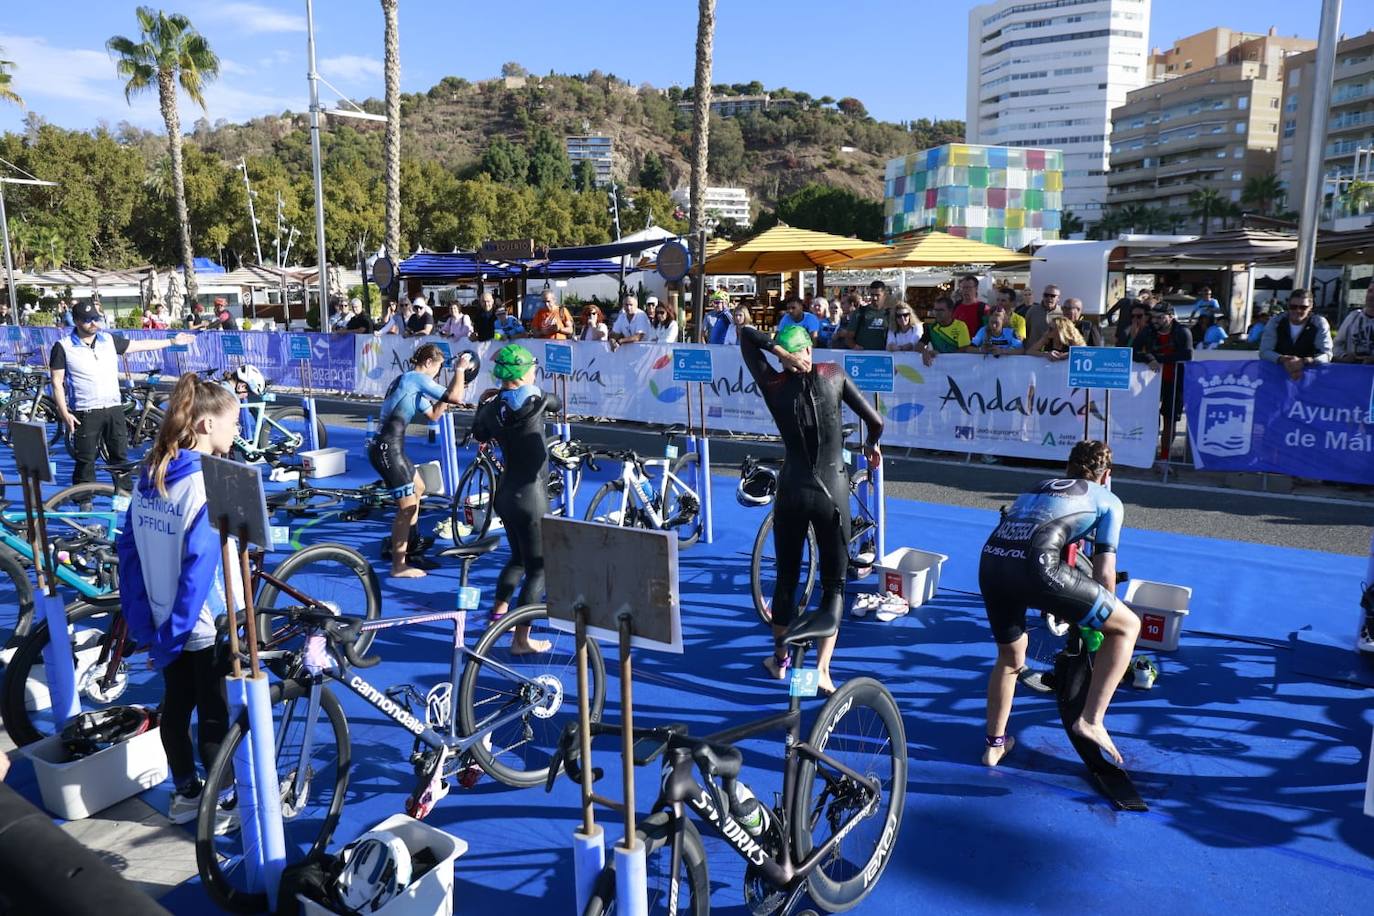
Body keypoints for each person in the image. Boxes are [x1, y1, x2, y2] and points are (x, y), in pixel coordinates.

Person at [115, 373, 245, 829]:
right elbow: (198, 573)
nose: (238, 432)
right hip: (198, 625)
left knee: (175, 707)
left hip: (159, 616)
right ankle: (221, 799)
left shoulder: (150, 472)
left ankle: (186, 791)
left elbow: (127, 554)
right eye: (234, 423)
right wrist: (171, 635)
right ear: (207, 425)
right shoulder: (204, 486)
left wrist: (146, 625)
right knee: (213, 715)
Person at [978, 440, 1140, 767]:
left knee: (1010, 657)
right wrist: (1103, 624)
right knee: (1127, 627)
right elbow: (1104, 572)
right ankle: (1091, 720)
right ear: (1105, 474)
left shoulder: (1036, 487)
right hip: (1038, 566)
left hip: (991, 562)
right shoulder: (1108, 499)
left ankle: (994, 746)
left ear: (1068, 466)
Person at [739, 323, 882, 694]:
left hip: (792, 491)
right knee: (834, 583)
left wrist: (776, 353)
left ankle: (780, 660)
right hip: (832, 493)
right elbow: (875, 421)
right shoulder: (832, 373)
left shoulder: (773, 385)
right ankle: (821, 669)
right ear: (809, 350)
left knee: (787, 578)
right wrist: (872, 445)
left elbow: (745, 334)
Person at [472, 344, 560, 653]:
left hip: (505, 493)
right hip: (531, 496)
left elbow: (480, 434)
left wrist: (485, 403)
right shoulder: (533, 396)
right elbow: (555, 402)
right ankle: (521, 640)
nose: (535, 370)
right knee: (540, 568)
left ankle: (497, 617)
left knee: (517, 559)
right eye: (532, 367)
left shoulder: (493, 406)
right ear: (521, 373)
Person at [51, 302, 194, 487]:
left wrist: (172, 341)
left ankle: (124, 495)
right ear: (77, 321)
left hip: (113, 408)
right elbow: (56, 381)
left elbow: (139, 345)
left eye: (96, 318)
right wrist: (64, 413)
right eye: (87, 320)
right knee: (85, 459)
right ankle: (83, 498)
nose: (93, 323)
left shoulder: (108, 340)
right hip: (85, 410)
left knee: (119, 456)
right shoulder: (63, 346)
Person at [369, 344, 472, 578]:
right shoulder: (415, 378)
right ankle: (399, 565)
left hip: (388, 447)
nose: (437, 373)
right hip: (388, 449)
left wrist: (448, 395)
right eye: (437, 368)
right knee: (407, 508)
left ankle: (411, 546)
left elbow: (434, 415)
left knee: (419, 488)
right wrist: (460, 370)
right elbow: (456, 396)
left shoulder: (408, 383)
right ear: (427, 363)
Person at [1134, 302, 1193, 459]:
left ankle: (1165, 457)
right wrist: (1148, 358)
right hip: (1151, 382)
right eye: (1153, 317)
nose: (1155, 321)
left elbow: (1187, 355)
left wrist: (1157, 358)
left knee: (1170, 420)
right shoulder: (1148, 330)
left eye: (1160, 318)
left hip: (1174, 381)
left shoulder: (1182, 331)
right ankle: (1146, 453)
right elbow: (1133, 350)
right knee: (1149, 418)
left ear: (1171, 317)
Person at [1260, 289, 1333, 381]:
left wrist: (1305, 361)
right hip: (1275, 378)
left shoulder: (1319, 323)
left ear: (1310, 307)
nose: (1298, 310)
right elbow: (1264, 352)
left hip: (1309, 379)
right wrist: (1283, 359)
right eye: (1293, 307)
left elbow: (1326, 354)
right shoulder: (1276, 321)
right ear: (1288, 306)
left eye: (1303, 307)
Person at [919, 295, 973, 366]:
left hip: (958, 365)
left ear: (950, 311)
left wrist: (941, 356)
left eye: (941, 310)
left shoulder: (960, 326)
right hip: (939, 367)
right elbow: (919, 345)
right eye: (936, 310)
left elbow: (964, 349)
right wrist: (925, 351)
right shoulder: (931, 327)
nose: (937, 313)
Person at [838, 281, 891, 350]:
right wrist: (854, 346)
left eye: (877, 295)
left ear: (884, 295)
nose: (874, 298)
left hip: (884, 357)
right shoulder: (860, 312)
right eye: (872, 295)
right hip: (863, 357)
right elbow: (848, 338)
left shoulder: (889, 314)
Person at [1334, 285, 1374, 364]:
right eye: (1370, 291)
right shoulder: (1353, 317)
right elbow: (1337, 344)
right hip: (1353, 369)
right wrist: (1344, 356)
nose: (1371, 295)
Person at [951, 274, 987, 340]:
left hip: (975, 346)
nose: (965, 290)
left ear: (976, 288)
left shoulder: (984, 308)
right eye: (963, 287)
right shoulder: (955, 306)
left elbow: (988, 329)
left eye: (969, 287)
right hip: (957, 345)